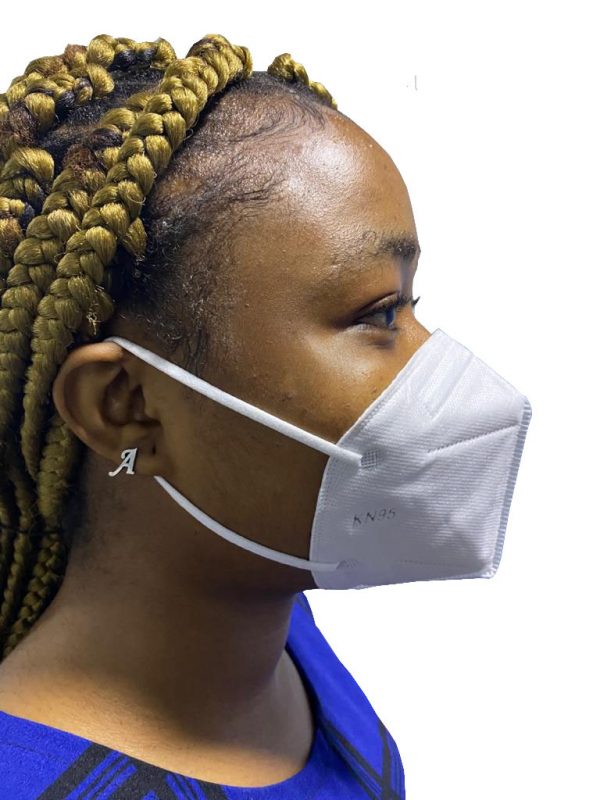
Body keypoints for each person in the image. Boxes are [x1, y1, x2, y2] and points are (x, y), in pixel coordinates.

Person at [0, 31, 532, 799]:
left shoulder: (277, 636)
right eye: (377, 314)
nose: (435, 368)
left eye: (412, 303)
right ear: (125, 406)